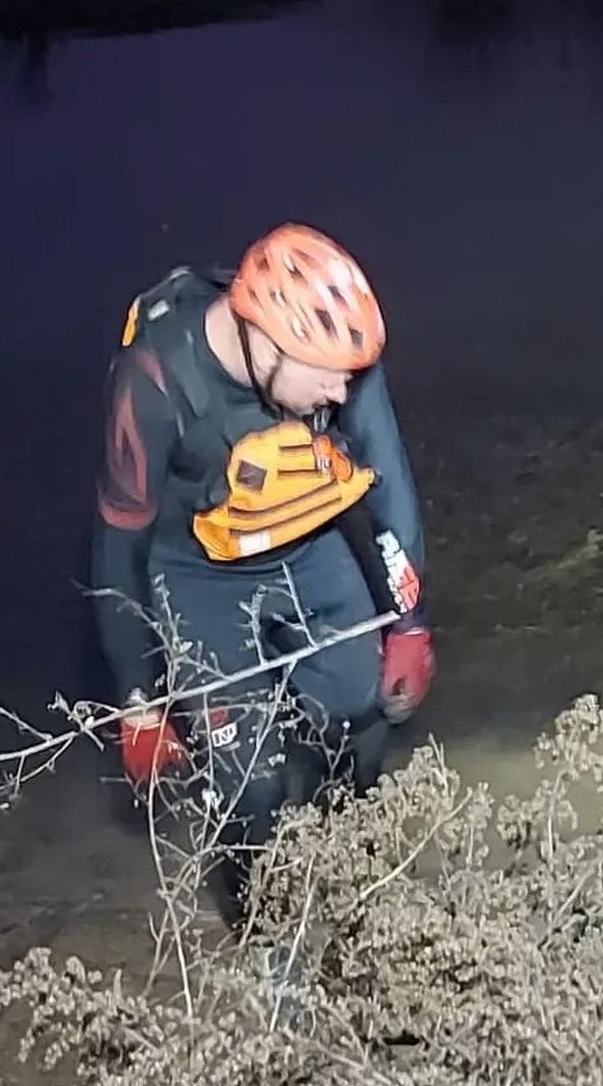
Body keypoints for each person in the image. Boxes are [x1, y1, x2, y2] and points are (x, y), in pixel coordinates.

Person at [90, 222, 436, 924]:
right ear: (270, 345)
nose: (344, 389)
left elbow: (388, 478)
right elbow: (117, 543)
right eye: (327, 376)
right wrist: (139, 697)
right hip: (198, 577)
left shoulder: (336, 356)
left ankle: (351, 881)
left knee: (361, 711)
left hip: (308, 547)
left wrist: (409, 619)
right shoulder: (156, 383)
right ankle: (261, 923)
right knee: (249, 778)